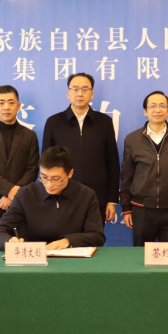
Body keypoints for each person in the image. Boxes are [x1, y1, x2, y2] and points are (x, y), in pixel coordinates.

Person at [0, 146, 106, 251]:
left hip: (73, 259)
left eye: (56, 179)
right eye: (44, 177)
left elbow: (97, 236)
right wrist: (9, 241)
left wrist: (67, 241)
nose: (49, 184)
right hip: (35, 257)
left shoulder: (86, 195)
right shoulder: (25, 194)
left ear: (70, 173)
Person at [42, 72, 120, 225]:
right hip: (62, 196)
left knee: (94, 237)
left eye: (85, 89)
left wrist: (111, 200)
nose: (80, 93)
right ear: (68, 93)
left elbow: (112, 162)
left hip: (97, 197)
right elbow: (46, 164)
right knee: (64, 238)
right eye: (75, 89)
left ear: (92, 94)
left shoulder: (104, 122)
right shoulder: (54, 122)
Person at [120, 91, 168, 246]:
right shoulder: (132, 139)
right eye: (152, 106)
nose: (158, 110)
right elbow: (126, 176)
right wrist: (126, 208)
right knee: (141, 255)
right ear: (145, 111)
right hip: (141, 209)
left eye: (162, 106)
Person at [0, 85, 39, 247]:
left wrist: (13, 196)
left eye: (11, 102)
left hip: (22, 206)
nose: (6, 107)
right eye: (1, 102)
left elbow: (33, 169)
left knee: (22, 251)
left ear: (18, 106)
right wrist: (10, 191)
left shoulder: (30, 136)